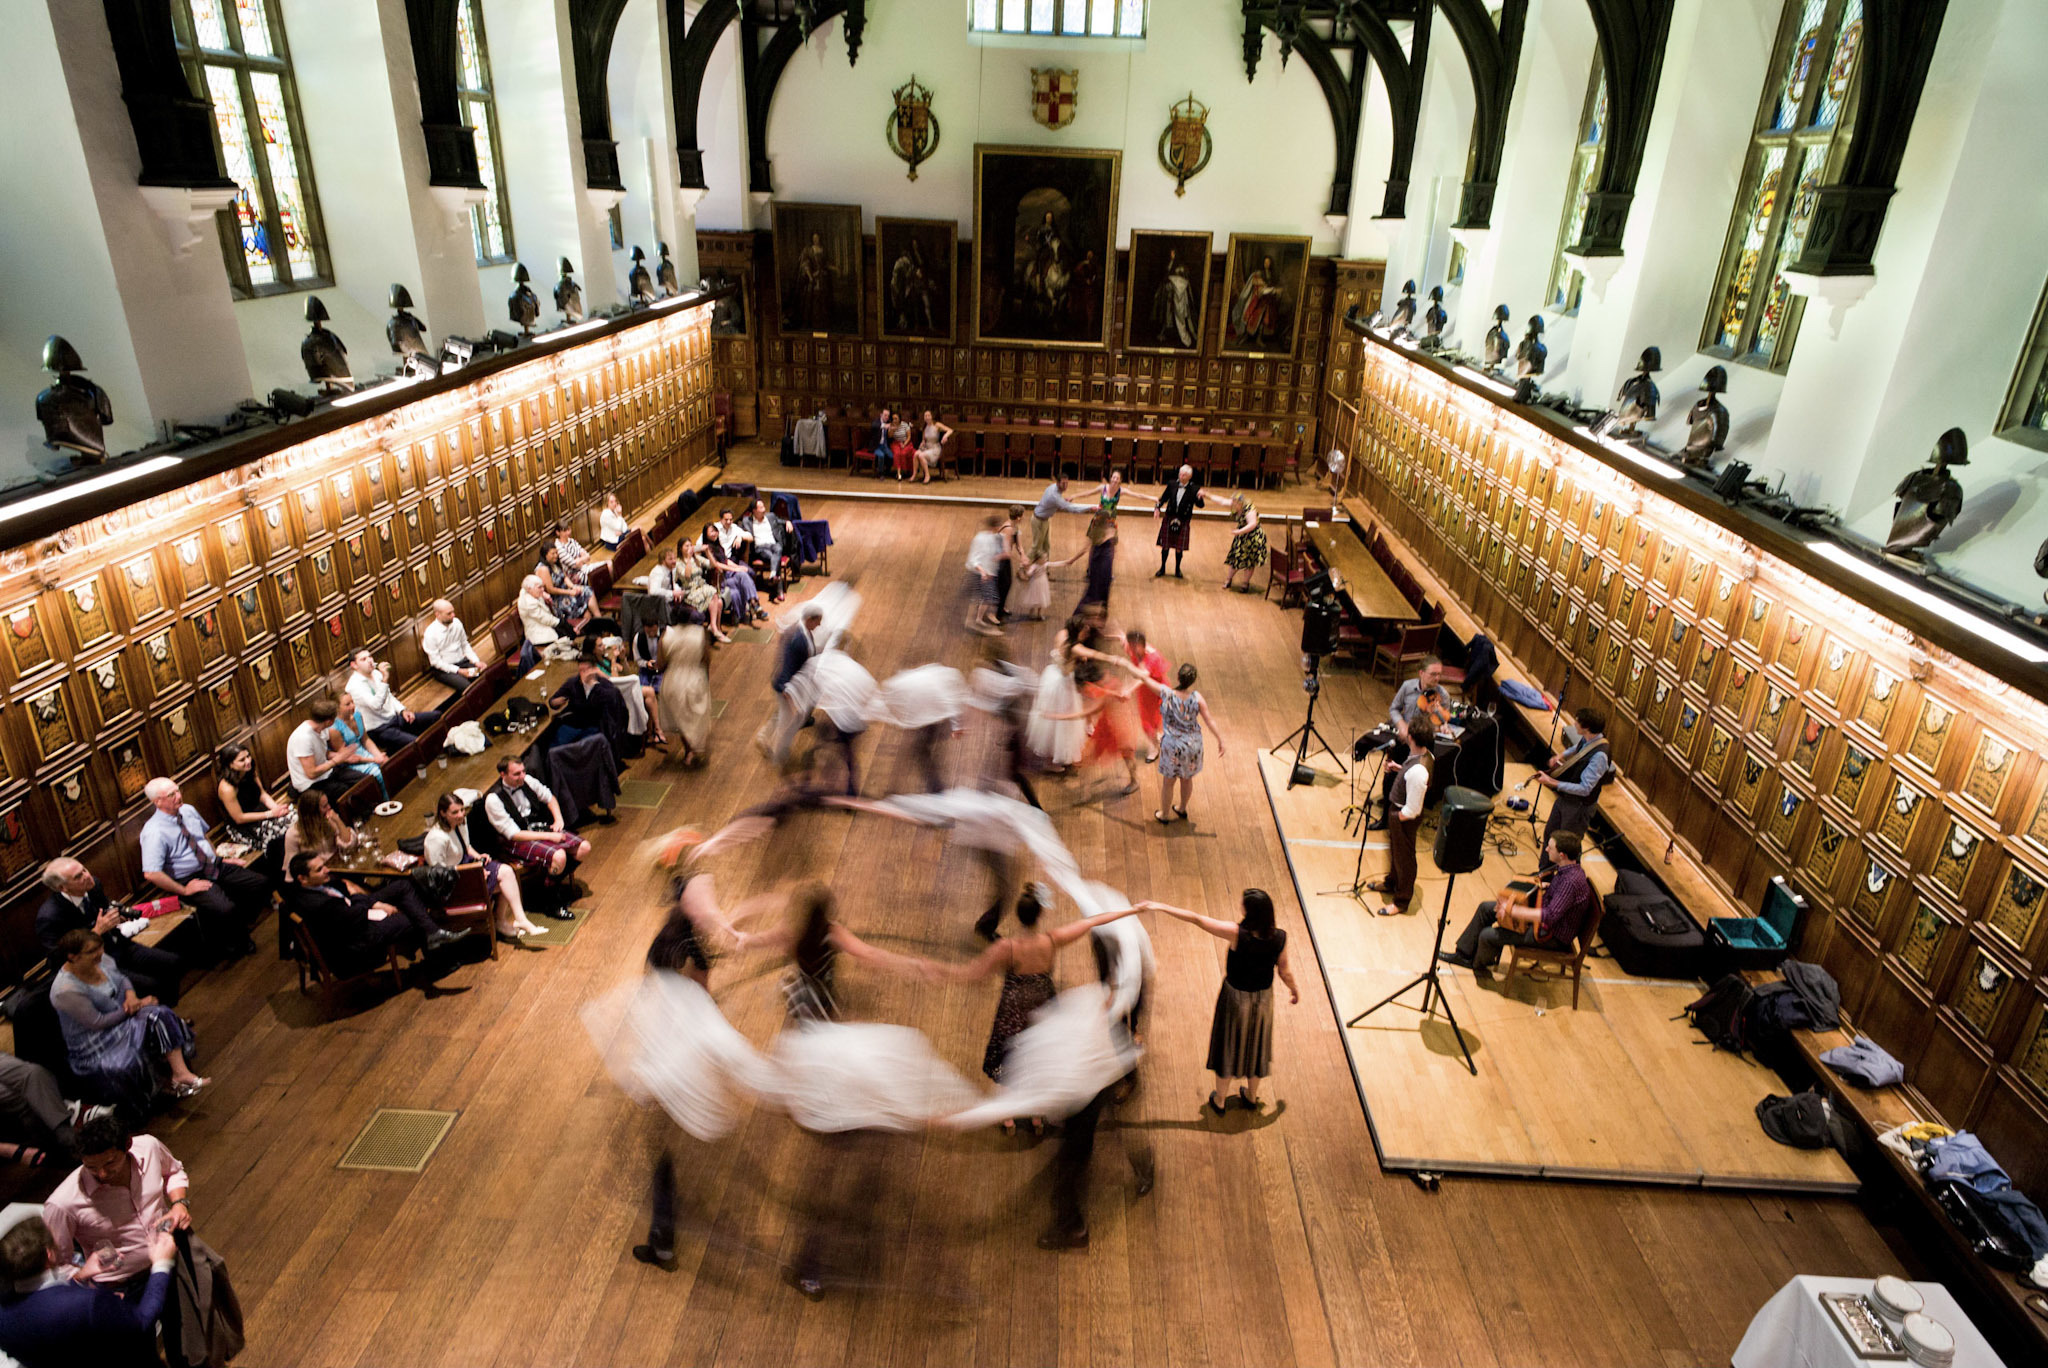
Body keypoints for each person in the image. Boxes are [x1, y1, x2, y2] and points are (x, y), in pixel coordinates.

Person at [943, 884, 1147, 1131]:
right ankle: (1038, 1115)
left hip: (1014, 1010)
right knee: (1040, 1054)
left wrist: (931, 970)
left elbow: (973, 973)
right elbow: (1094, 921)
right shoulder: (1052, 940)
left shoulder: (1007, 948)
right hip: (1043, 1006)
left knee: (1009, 1054)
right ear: (1040, 915)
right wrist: (1129, 912)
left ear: (1018, 916)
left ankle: (1008, 1115)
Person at [44, 1113, 241, 1368]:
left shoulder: (148, 1146)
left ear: (127, 1146)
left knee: (191, 1343)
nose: (102, 1173)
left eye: (110, 1163)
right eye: (91, 1167)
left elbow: (174, 1171)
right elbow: (57, 1264)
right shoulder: (63, 1202)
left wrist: (179, 1203)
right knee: (138, 1358)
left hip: (170, 1266)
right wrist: (83, 1274)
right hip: (120, 1289)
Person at [1152, 890, 1299, 1111]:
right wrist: (1294, 990)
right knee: (1256, 1046)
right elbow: (1284, 971)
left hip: (1235, 999)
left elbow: (1197, 919)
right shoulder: (1280, 937)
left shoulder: (1237, 933)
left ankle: (1220, 1100)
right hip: (1264, 1000)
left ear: (1250, 912)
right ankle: (1251, 1096)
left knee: (1228, 1046)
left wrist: (1160, 906)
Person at [0, 1208, 178, 1368]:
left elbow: (43, 1308)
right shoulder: (89, 1303)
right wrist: (161, 1265)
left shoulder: (3, 1315)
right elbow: (140, 1323)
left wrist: (80, 1277)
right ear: (49, 1254)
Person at [50, 930, 207, 1103]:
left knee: (160, 1014)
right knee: (128, 1058)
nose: (99, 953)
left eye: (100, 947)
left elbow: (122, 979)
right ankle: (156, 1090)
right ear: (73, 957)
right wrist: (136, 1007)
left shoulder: (100, 960)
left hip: (122, 1018)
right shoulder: (65, 991)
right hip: (98, 1041)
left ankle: (180, 1073)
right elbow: (98, 1022)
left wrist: (132, 997)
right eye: (91, 951)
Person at [284, 850, 473, 971]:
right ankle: (438, 962)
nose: (326, 870)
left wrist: (368, 901)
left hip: (354, 912)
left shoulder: (315, 885)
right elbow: (353, 912)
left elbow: (348, 893)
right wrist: (369, 902)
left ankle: (433, 935)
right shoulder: (317, 904)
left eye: (323, 865)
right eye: (319, 869)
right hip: (355, 939)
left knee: (403, 886)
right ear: (303, 879)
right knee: (413, 914)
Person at [138, 778, 264, 959]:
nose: (178, 796)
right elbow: (151, 873)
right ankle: (237, 944)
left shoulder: (188, 810)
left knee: (259, 883)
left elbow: (203, 837)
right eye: (171, 795)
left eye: (178, 790)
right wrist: (184, 889)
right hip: (190, 878)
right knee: (225, 908)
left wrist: (219, 859)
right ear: (157, 801)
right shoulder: (153, 831)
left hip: (213, 865)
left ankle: (240, 925)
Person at [1443, 832, 1597, 975]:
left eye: (1550, 847)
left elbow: (1549, 916)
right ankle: (1463, 954)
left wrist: (1513, 911)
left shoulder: (1570, 882)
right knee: (1486, 908)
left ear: (1562, 855)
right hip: (1545, 923)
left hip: (1551, 936)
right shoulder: (1568, 869)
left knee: (1488, 935)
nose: (1546, 849)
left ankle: (1478, 965)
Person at [36, 860, 184, 1006]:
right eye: (78, 877)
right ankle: (153, 1022)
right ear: (63, 887)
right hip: (94, 966)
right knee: (150, 984)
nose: (87, 876)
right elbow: (59, 960)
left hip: (119, 947)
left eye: (84, 870)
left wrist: (117, 918)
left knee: (172, 962)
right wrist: (96, 932)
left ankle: (168, 1016)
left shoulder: (93, 886)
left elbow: (105, 910)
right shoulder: (50, 916)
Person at [479, 756, 588, 912]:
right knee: (559, 856)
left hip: (537, 829)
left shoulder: (527, 780)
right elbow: (513, 834)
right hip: (515, 841)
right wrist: (550, 836)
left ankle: (549, 881)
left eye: (523, 771)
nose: (522, 776)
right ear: (503, 775)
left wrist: (558, 820)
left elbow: (550, 798)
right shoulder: (493, 799)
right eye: (516, 774)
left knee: (583, 847)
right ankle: (552, 902)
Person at [426, 793, 541, 940]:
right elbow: (438, 874)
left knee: (507, 872)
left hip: (467, 867)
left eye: (462, 810)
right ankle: (501, 922)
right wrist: (474, 874)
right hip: (453, 884)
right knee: (505, 884)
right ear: (442, 813)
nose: (461, 814)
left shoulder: (460, 822)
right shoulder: (436, 838)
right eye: (455, 812)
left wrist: (477, 856)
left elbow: (466, 847)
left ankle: (519, 918)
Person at [1128, 661, 1227, 823]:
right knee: (1187, 779)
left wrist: (1124, 663)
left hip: (1173, 746)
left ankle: (1164, 814)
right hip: (1193, 746)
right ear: (1192, 681)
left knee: (1169, 782)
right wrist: (1220, 740)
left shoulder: (1166, 693)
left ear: (1178, 677)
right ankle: (1181, 808)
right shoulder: (1197, 698)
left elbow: (1144, 679)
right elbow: (1209, 721)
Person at [1370, 658, 1450, 831]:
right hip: (1404, 740)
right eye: (1433, 674)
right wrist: (1402, 726)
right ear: (1421, 673)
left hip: (1424, 745)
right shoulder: (1407, 687)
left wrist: (1438, 718)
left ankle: (1409, 817)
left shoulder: (1442, 695)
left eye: (1439, 675)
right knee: (1390, 777)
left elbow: (1442, 721)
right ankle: (1385, 819)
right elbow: (1394, 709)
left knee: (1417, 781)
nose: (1437, 679)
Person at [1369, 714, 1436, 917]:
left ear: (1412, 739)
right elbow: (1411, 776)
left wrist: (1396, 818)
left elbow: (1413, 809)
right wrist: (1399, 769)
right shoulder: (1423, 757)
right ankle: (1392, 883)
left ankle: (1401, 901)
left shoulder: (1418, 772)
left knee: (1404, 859)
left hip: (1403, 818)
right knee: (1396, 854)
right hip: (1399, 814)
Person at [757, 602, 822, 764]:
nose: (819, 624)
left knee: (785, 715)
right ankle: (778, 755)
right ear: (809, 619)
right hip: (787, 686)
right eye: (817, 621)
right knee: (788, 721)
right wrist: (786, 691)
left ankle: (764, 736)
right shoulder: (798, 638)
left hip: (789, 683)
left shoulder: (798, 630)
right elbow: (788, 664)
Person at [1537, 708, 1611, 843]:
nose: (1574, 724)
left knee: (1567, 845)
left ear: (1586, 728)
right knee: (1550, 834)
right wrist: (1560, 755)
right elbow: (1579, 748)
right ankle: (1546, 865)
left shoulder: (1600, 756)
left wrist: (1552, 782)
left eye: (1577, 722)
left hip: (1579, 807)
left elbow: (1584, 789)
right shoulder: (1590, 738)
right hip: (1567, 798)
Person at [1025, 618, 1088, 772]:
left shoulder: (1061, 634)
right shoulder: (1074, 648)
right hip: (1063, 684)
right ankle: (1053, 759)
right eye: (1084, 631)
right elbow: (1073, 664)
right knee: (1062, 722)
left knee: (1053, 722)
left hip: (1051, 676)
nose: (1086, 634)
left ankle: (1054, 757)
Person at [346, 648, 439, 750]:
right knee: (418, 743)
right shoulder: (354, 686)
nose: (369, 660)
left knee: (436, 716)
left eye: (370, 657)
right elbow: (376, 705)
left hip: (395, 718)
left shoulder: (376, 673)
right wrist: (385, 679)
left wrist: (402, 710)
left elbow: (389, 696)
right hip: (379, 729)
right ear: (354, 665)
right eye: (363, 659)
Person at [212, 744, 291, 858]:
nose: (248, 761)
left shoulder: (249, 771)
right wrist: (270, 814)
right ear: (230, 765)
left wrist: (276, 808)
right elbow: (239, 818)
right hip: (246, 826)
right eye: (242, 760)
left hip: (262, 813)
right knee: (282, 834)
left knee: (295, 819)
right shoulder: (226, 788)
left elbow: (262, 794)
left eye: (248, 756)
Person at [548, 651, 629, 754]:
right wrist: (556, 702)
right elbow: (552, 701)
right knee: (554, 748)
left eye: (586, 670)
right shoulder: (573, 683)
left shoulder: (603, 684)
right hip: (575, 724)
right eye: (581, 670)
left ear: (593, 670)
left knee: (585, 749)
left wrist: (595, 685)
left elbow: (613, 697)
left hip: (595, 726)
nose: (583, 674)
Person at [286, 696, 363, 803]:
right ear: (328, 721)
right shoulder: (303, 738)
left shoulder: (322, 729)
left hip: (326, 773)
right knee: (343, 791)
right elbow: (311, 773)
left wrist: (343, 757)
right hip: (309, 784)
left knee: (361, 779)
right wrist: (337, 760)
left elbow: (323, 753)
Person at [657, 625, 712, 766]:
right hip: (695, 676)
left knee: (680, 718)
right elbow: (706, 658)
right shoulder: (700, 633)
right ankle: (694, 748)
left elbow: (660, 663)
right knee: (697, 715)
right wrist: (706, 675)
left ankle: (689, 749)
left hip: (673, 679)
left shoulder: (666, 635)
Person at [696, 522, 762, 623]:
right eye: (711, 532)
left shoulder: (718, 546)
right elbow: (717, 565)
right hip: (718, 581)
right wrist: (735, 569)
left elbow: (725, 560)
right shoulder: (707, 549)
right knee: (741, 576)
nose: (714, 533)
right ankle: (753, 604)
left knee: (743, 574)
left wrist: (738, 567)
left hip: (726, 575)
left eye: (715, 531)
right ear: (706, 534)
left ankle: (753, 603)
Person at [328, 691, 390, 798]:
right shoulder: (334, 729)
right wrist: (374, 760)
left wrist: (378, 755)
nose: (353, 706)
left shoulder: (357, 714)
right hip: (351, 763)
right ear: (337, 708)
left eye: (352, 702)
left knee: (387, 765)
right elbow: (345, 757)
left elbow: (365, 740)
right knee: (378, 774)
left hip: (364, 753)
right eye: (347, 704)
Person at [280, 788, 357, 872]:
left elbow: (350, 845)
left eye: (328, 804)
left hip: (340, 866)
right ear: (312, 812)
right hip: (318, 875)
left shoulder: (329, 820)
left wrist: (338, 820)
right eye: (324, 806)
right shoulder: (293, 834)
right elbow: (291, 869)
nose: (329, 807)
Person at [422, 598, 484, 699]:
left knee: (482, 674)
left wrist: (476, 661)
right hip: (446, 671)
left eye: (453, 612)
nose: (453, 615)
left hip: (462, 663)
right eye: (449, 613)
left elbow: (465, 644)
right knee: (467, 687)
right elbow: (436, 662)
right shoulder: (430, 634)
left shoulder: (456, 623)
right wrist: (459, 671)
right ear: (437, 615)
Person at [1154, 464, 1205, 578]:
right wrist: (1157, 507)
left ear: (1189, 477)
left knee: (1179, 548)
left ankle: (1177, 569)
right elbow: (1163, 498)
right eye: (1180, 474)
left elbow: (1200, 505)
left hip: (1183, 519)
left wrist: (1200, 497)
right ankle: (1162, 568)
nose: (1181, 476)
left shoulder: (1194, 488)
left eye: (1184, 475)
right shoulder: (1172, 484)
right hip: (1170, 517)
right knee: (1165, 546)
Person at [1029, 472, 1094, 561]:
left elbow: (1061, 503)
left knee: (1046, 547)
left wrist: (1063, 501)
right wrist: (1090, 508)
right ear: (1058, 483)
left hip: (1044, 520)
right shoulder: (1055, 496)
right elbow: (1072, 508)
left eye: (1067, 483)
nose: (1065, 486)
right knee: (1036, 547)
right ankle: (1023, 568)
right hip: (1038, 521)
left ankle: (1045, 568)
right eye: (1063, 483)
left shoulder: (1053, 488)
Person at [737, 498, 792, 602]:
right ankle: (779, 590)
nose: (764, 509)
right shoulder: (747, 521)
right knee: (775, 558)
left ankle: (772, 575)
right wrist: (740, 537)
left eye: (763, 507)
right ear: (754, 510)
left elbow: (780, 520)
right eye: (761, 507)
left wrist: (788, 522)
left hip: (773, 545)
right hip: (760, 548)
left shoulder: (770, 516)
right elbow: (740, 530)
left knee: (778, 548)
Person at [1124, 631, 1168, 758]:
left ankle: (1155, 747)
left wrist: (1128, 689)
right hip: (1145, 692)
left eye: (1133, 646)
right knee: (1149, 723)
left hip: (1156, 691)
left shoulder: (1153, 657)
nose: (1131, 649)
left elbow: (1143, 677)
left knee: (1152, 722)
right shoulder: (1135, 650)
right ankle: (1156, 740)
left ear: (1140, 645)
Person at [965, 512, 1006, 636]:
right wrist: (982, 572)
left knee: (983, 598)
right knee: (987, 598)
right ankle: (972, 621)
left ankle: (975, 620)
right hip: (980, 573)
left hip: (988, 573)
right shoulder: (980, 538)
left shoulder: (995, 537)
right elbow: (973, 559)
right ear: (994, 527)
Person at [534, 545, 592, 630]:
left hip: (565, 592)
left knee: (586, 591)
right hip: (557, 599)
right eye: (552, 553)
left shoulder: (554, 564)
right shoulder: (543, 569)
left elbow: (564, 577)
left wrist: (573, 587)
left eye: (556, 552)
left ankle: (597, 622)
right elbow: (551, 590)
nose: (556, 555)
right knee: (581, 605)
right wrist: (569, 592)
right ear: (545, 555)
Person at [1222, 494, 1267, 592]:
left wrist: (1239, 531)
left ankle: (1245, 584)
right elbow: (1221, 501)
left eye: (1234, 502)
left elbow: (1253, 524)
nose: (1232, 504)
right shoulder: (1236, 506)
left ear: (1240, 502)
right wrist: (1207, 495)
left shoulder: (1249, 509)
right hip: (1242, 536)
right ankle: (1228, 580)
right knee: (1235, 560)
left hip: (1253, 538)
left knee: (1249, 562)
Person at [517, 574, 561, 651]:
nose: (543, 589)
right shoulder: (529, 603)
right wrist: (561, 623)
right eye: (539, 587)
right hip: (539, 637)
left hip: (546, 627)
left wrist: (542, 594)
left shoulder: (530, 592)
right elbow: (546, 619)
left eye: (543, 587)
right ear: (529, 589)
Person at [915, 410, 949, 485]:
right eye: (925, 416)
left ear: (932, 416)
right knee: (916, 453)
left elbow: (950, 430)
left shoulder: (937, 425)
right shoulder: (925, 427)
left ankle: (927, 475)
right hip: (927, 447)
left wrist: (945, 436)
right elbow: (924, 440)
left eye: (928, 415)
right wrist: (922, 443)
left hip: (935, 448)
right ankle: (914, 475)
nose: (927, 417)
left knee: (921, 455)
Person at [868, 406, 894, 478]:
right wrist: (884, 426)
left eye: (888, 416)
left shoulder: (888, 423)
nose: (886, 417)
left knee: (891, 456)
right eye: (885, 415)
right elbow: (874, 426)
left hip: (884, 445)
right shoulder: (876, 422)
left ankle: (887, 471)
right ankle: (880, 473)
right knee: (881, 455)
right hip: (876, 446)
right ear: (881, 415)